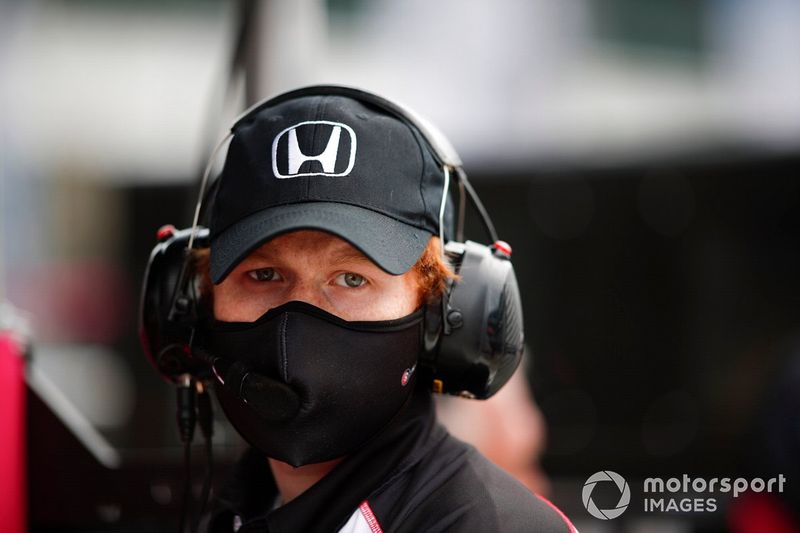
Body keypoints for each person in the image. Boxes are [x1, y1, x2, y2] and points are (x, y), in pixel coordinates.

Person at [181, 86, 576, 532]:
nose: (296, 319)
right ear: (195, 307)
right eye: (264, 275)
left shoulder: (487, 525)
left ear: (436, 315)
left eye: (352, 279)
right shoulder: (230, 512)